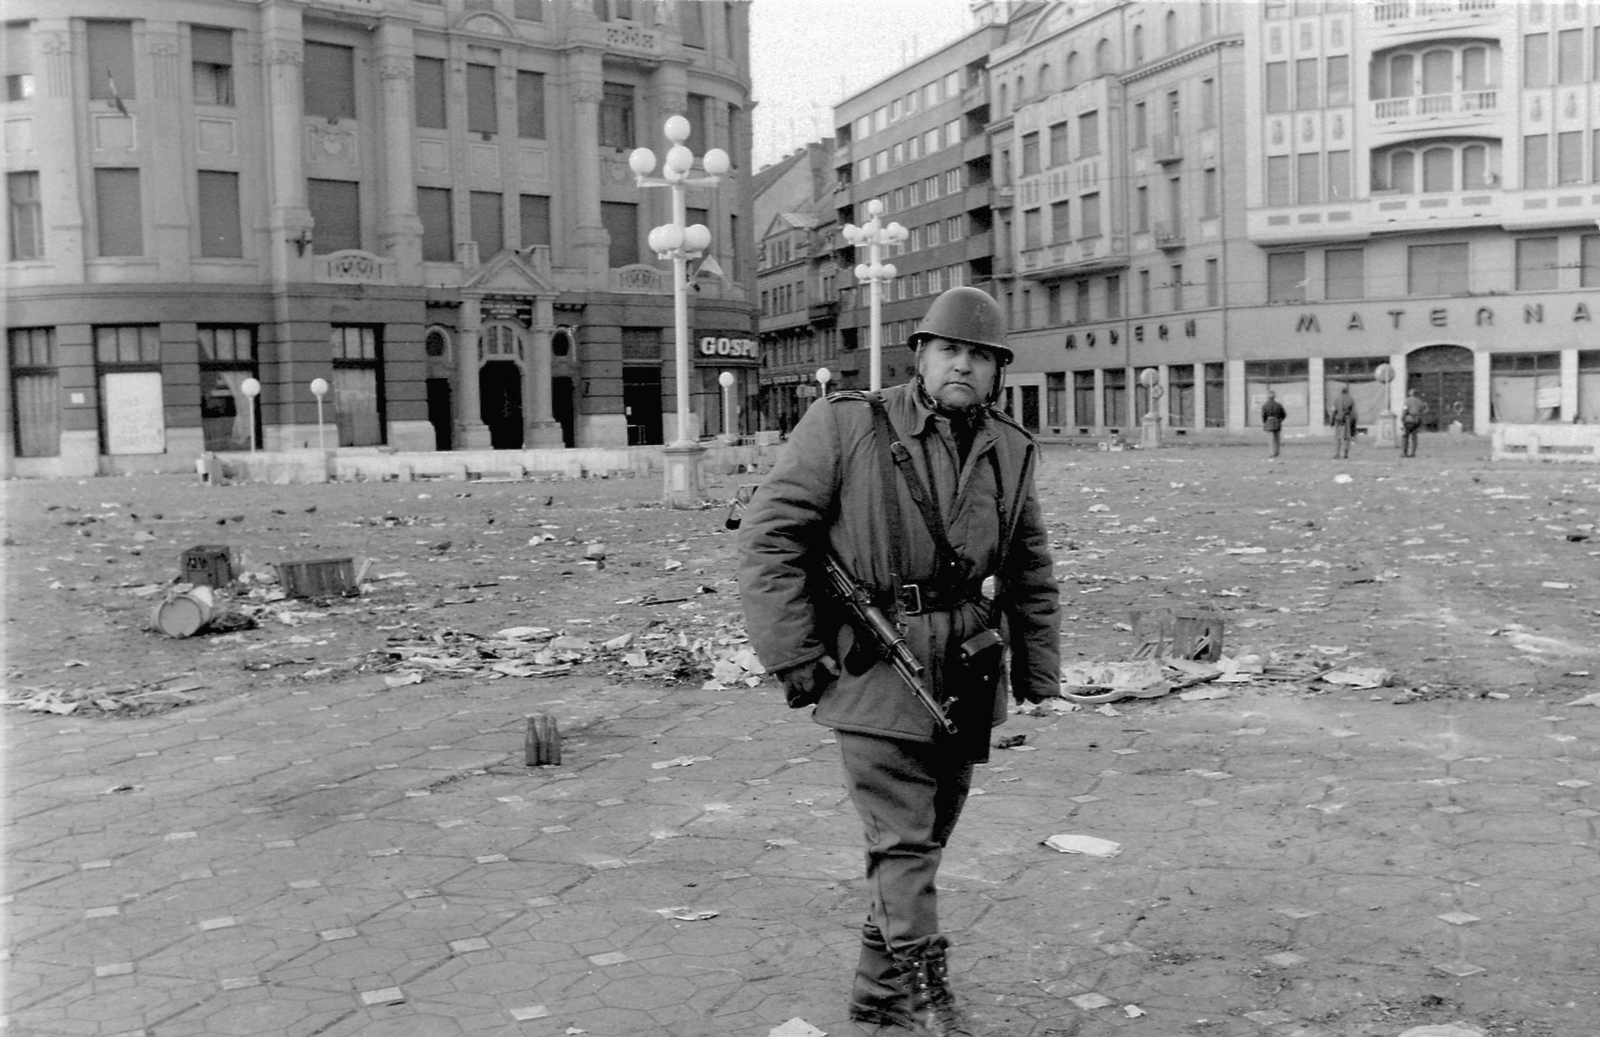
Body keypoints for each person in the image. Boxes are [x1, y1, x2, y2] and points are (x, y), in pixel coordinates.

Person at [738, 286, 1061, 1037]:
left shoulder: (1010, 446)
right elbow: (769, 539)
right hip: (875, 665)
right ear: (920, 354)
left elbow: (1029, 565)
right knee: (905, 838)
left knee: (928, 836)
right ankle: (926, 1000)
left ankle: (878, 996)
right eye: (950, 349)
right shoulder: (847, 423)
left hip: (969, 669)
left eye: (980, 355)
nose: (964, 365)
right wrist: (795, 654)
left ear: (998, 370)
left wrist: (1039, 669)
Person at [1329, 385, 1358, 459]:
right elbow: (1354, 412)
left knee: (1338, 438)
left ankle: (1337, 453)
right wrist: (1354, 423)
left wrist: (1331, 422)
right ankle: (1345, 453)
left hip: (1338, 419)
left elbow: (1333, 411)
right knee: (1347, 438)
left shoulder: (1336, 400)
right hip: (1347, 419)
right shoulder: (1350, 399)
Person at [1401, 388, 1428, 458]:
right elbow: (1423, 411)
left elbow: (1405, 410)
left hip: (1408, 420)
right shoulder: (1420, 402)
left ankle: (1405, 452)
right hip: (1417, 420)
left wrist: (1402, 418)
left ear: (1410, 393)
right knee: (1414, 437)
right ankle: (1413, 452)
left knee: (1405, 437)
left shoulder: (1407, 401)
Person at [1261, 390, 1287, 458]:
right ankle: (1277, 452)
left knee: (1270, 439)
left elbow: (1263, 415)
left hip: (1269, 421)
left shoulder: (1265, 405)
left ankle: (1271, 452)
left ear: (1268, 397)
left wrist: (1265, 422)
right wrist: (1280, 420)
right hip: (1277, 422)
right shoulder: (1278, 405)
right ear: (1274, 397)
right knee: (1277, 438)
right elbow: (1284, 414)